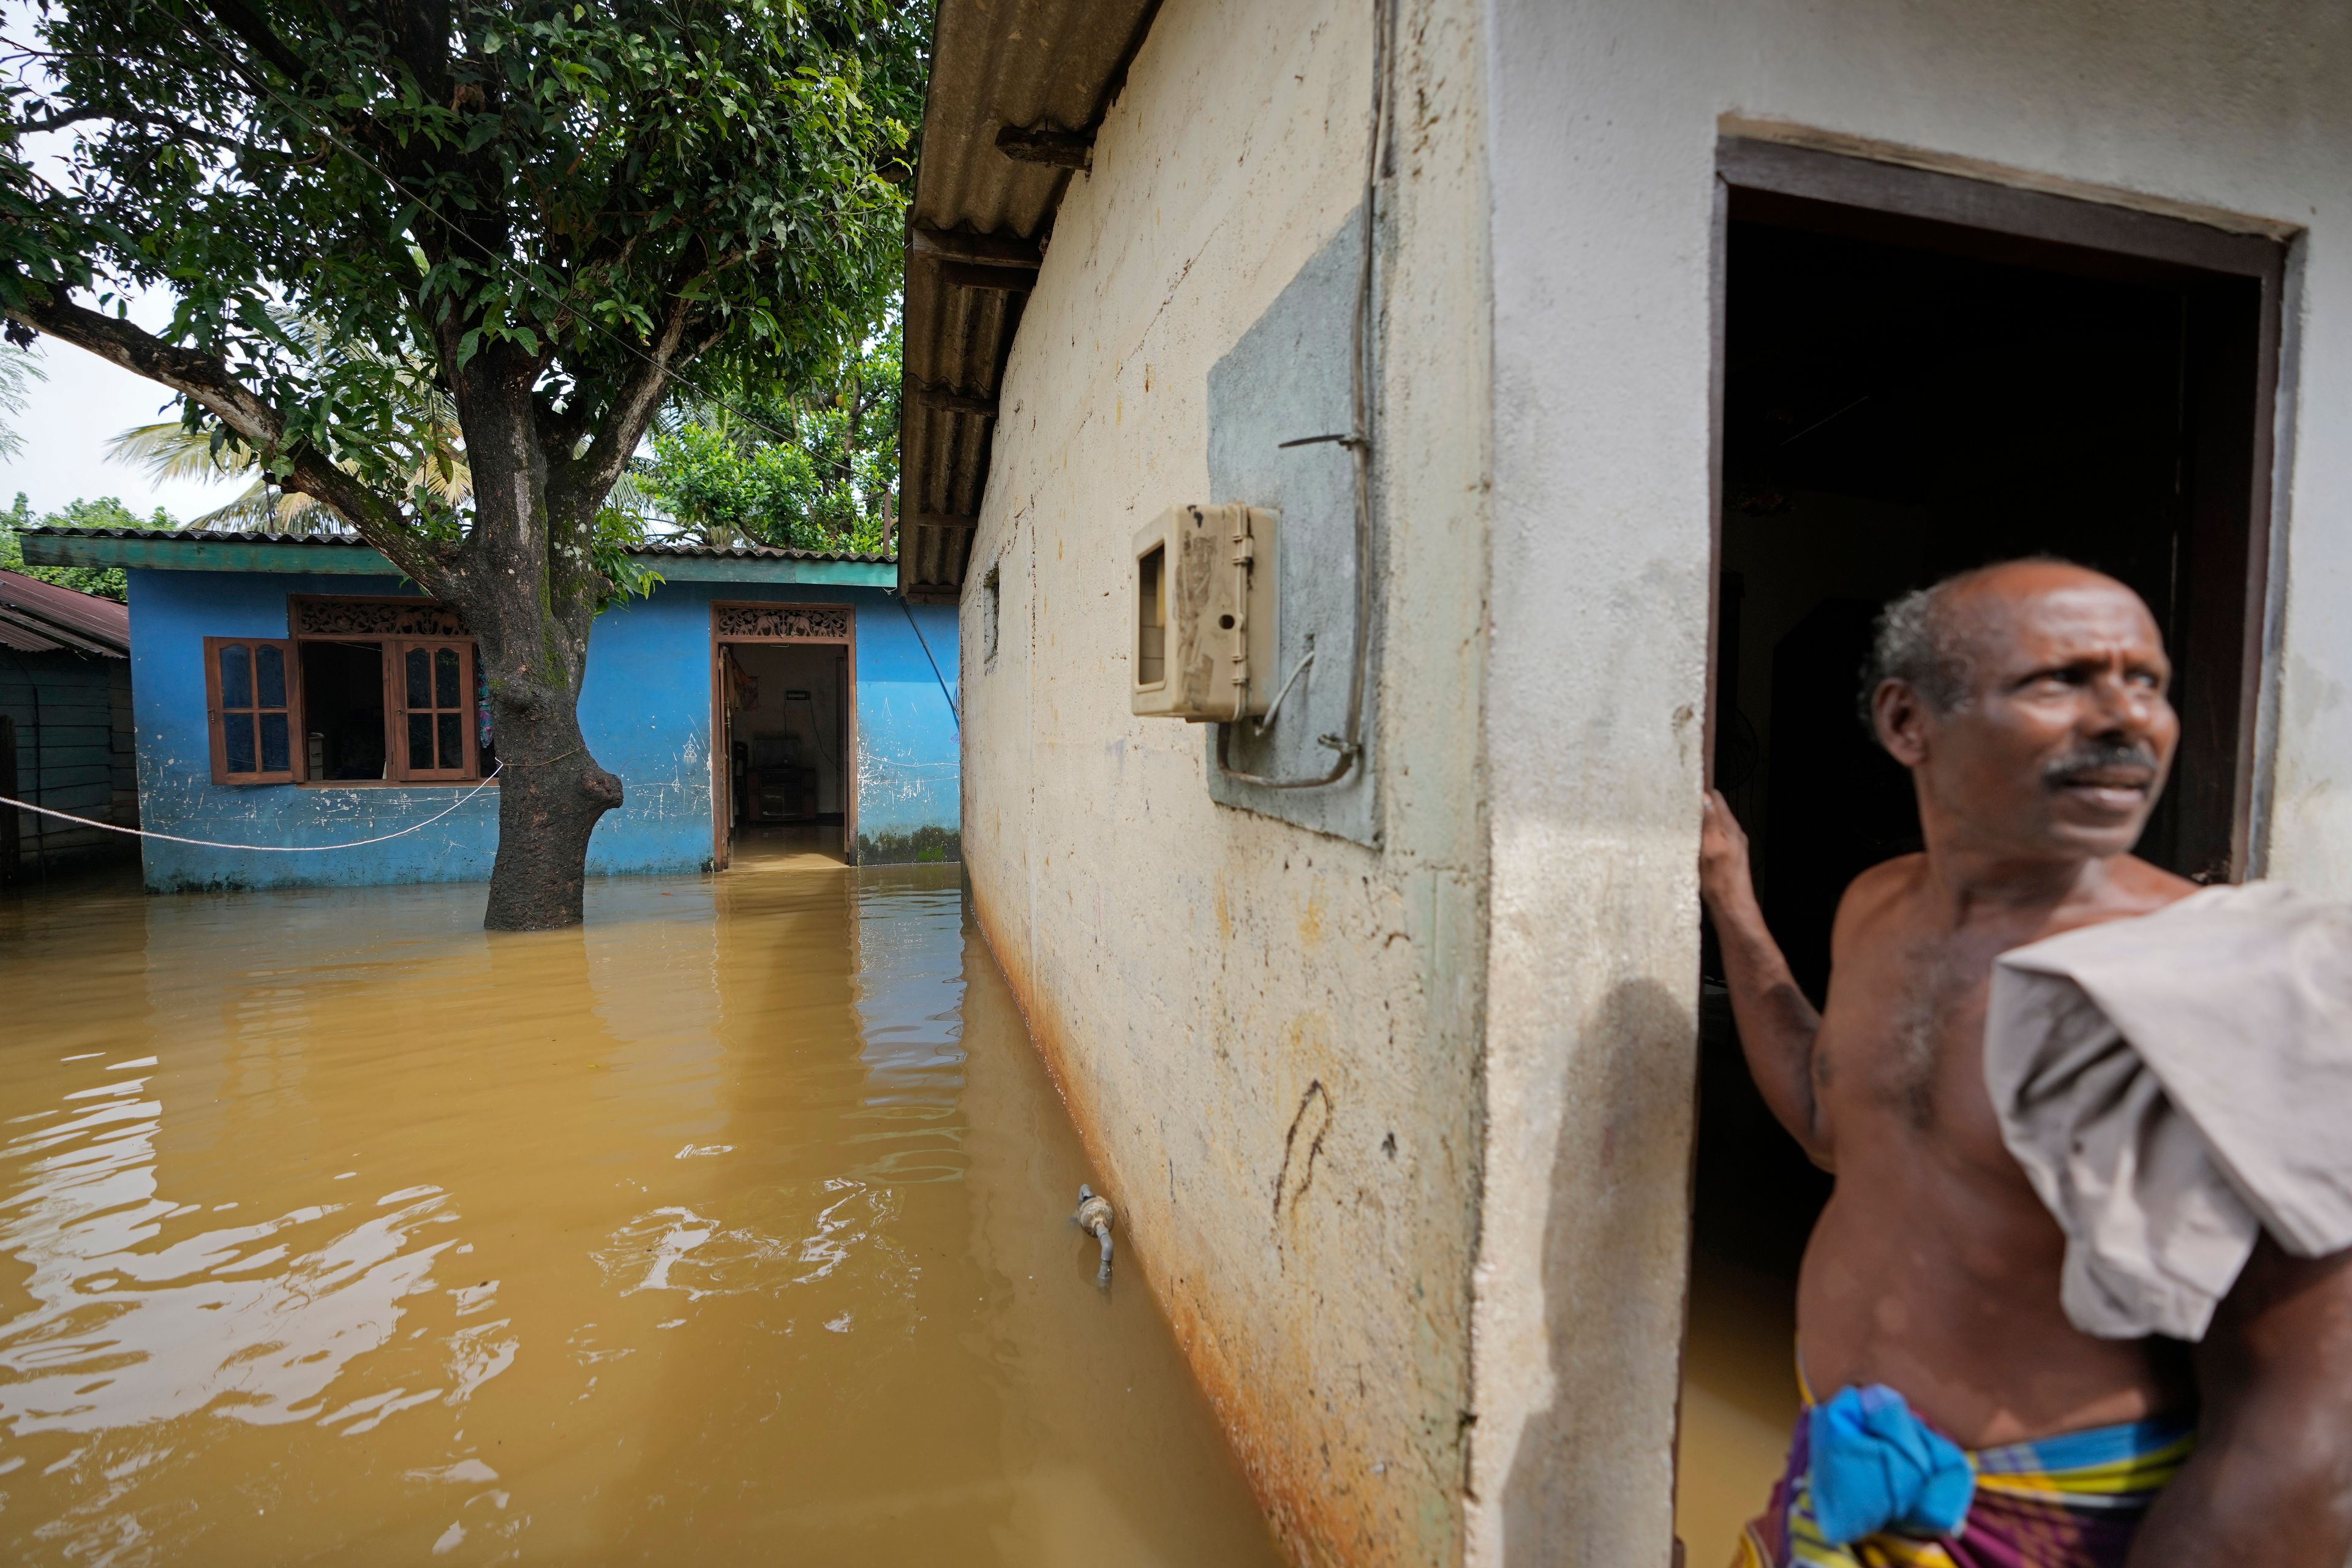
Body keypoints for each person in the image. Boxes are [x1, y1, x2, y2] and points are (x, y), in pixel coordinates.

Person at [1699, 559, 2352, 1566]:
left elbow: (2309, 1429)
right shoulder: (1878, 907)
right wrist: (1731, 901)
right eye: (2063, 680)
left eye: (2147, 682)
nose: (2128, 718)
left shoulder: (2226, 977)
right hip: (1840, 1475)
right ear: (1907, 722)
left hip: (2058, 1522)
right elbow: (1830, 1134)